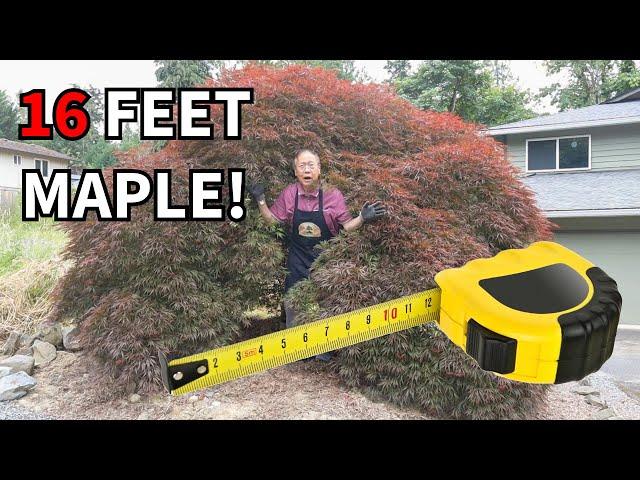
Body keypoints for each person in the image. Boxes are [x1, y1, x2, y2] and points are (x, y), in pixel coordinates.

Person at [248, 149, 386, 361]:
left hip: (325, 257)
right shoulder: (289, 194)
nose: (307, 169)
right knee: (293, 300)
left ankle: (323, 349)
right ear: (295, 172)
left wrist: (362, 218)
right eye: (302, 166)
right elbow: (275, 221)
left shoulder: (333, 195)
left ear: (319, 170)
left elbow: (346, 226)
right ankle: (294, 349)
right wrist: (261, 201)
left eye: (311, 165)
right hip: (298, 256)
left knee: (326, 301)